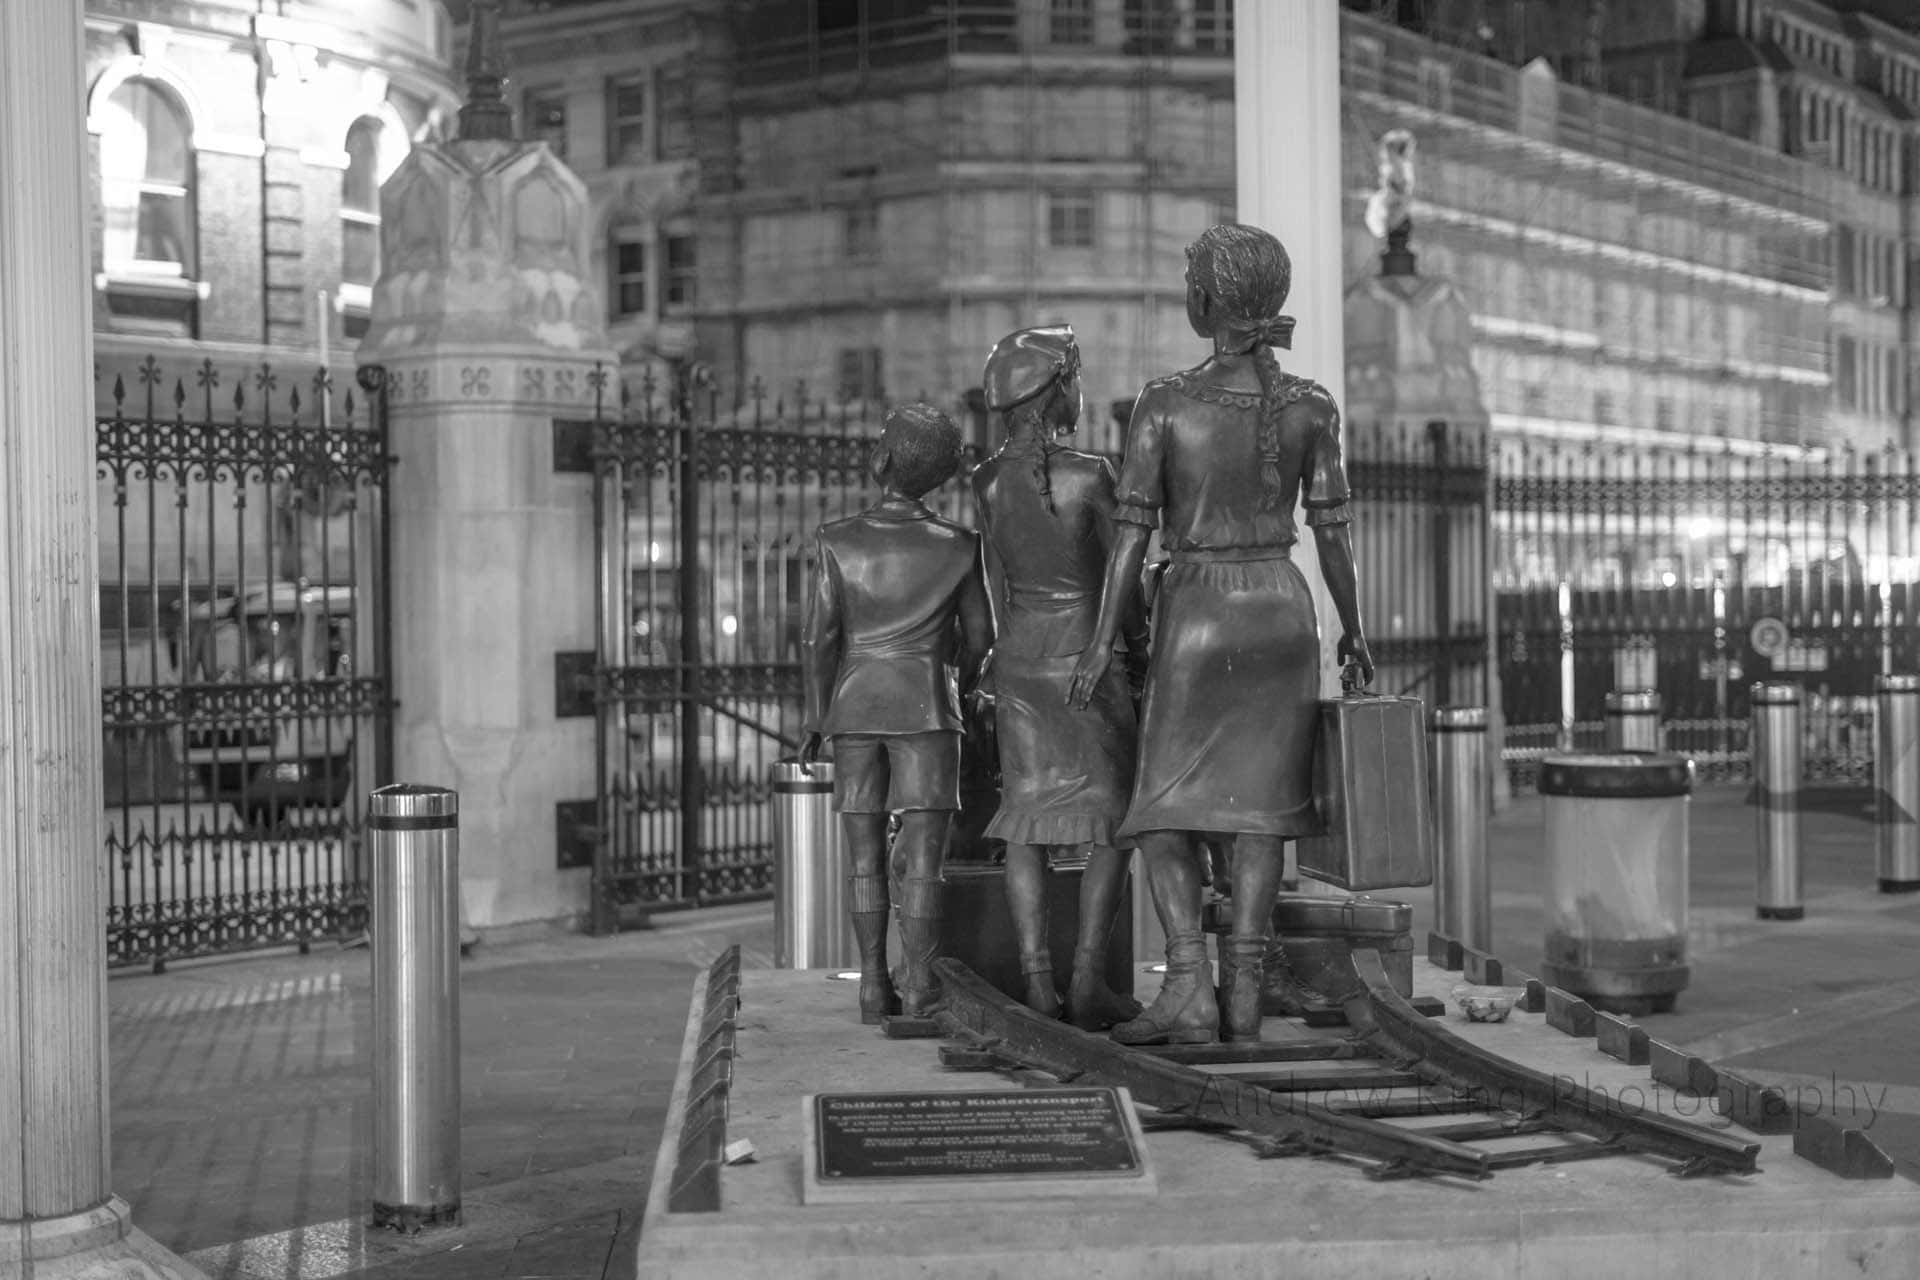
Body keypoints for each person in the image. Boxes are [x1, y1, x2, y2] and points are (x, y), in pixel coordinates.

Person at [1068, 223, 1375, 1045]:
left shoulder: (1165, 402)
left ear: (1205, 300)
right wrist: (1354, 630)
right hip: (1283, 609)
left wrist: (1100, 642)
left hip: (1199, 610)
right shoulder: (1312, 405)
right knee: (1260, 814)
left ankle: (1188, 986)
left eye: (1189, 280)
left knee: (1158, 810)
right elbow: (1334, 535)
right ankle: (1242, 994)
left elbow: (1132, 537)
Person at [970, 325, 1148, 1030]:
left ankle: (1038, 982)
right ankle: (1087, 980)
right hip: (1086, 661)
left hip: (1020, 660)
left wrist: (999, 655)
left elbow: (996, 582)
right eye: (1075, 379)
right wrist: (1136, 645)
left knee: (1025, 821)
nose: (1081, 391)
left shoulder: (985, 481)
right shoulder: (1092, 474)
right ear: (1054, 391)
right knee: (1111, 822)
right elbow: (1122, 580)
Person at [801, 404, 992, 1021]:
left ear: (882, 459)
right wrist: (951, 677)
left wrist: (816, 717)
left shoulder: (836, 540)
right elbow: (981, 637)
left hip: (855, 707)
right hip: (928, 706)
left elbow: (819, 640)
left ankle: (872, 984)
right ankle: (920, 986)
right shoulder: (960, 546)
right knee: (925, 859)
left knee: (864, 858)